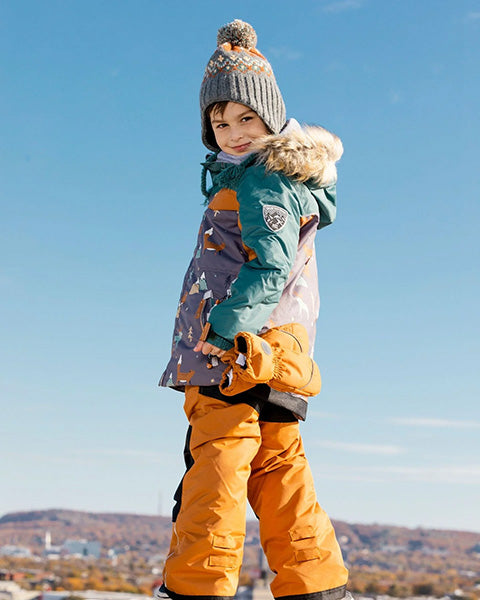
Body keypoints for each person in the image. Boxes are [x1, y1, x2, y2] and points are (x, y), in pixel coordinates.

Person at [158, 18, 349, 600]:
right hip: (280, 347)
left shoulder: (263, 180)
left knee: (217, 464)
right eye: (220, 122)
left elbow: (267, 266)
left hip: (238, 350)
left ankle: (195, 589)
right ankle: (315, 587)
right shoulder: (280, 178)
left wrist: (222, 329)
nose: (234, 132)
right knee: (277, 467)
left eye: (246, 118)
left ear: (271, 118)